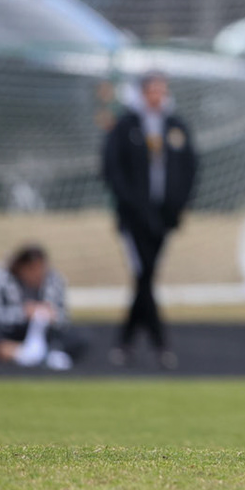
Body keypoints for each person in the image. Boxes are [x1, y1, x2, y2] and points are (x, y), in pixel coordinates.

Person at [101, 70, 197, 369]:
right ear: (142, 93)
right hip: (134, 219)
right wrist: (135, 206)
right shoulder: (126, 125)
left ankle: (126, 343)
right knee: (144, 276)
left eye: (161, 90)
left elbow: (190, 168)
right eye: (151, 90)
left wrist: (176, 205)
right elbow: (112, 170)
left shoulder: (175, 126)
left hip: (163, 217)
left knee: (145, 278)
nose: (157, 96)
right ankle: (160, 344)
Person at [0, 244, 88, 370]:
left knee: (79, 336)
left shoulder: (54, 279)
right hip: (9, 330)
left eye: (41, 269)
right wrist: (23, 312)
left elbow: (63, 316)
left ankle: (29, 353)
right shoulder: (0, 278)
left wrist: (50, 314)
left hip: (43, 333)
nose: (38, 274)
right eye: (33, 269)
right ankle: (29, 354)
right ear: (22, 267)